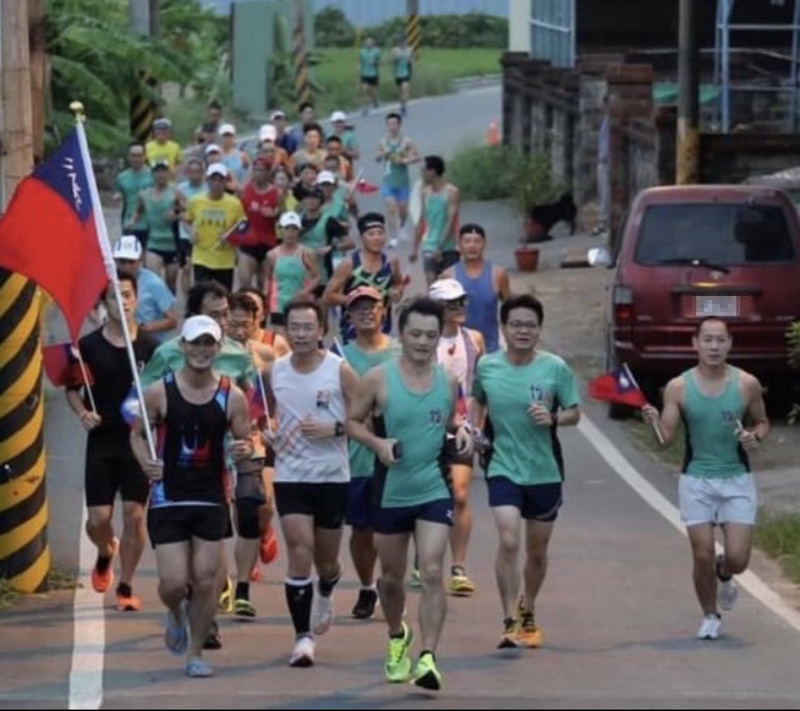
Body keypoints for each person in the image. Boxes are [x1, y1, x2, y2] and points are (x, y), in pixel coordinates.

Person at [347, 297, 472, 691]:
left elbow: (452, 419)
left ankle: (429, 658)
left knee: (433, 570)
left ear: (439, 337)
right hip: (390, 490)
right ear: (402, 334)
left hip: (433, 487)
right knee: (391, 579)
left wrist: (461, 431)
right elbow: (351, 422)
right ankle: (397, 635)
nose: (422, 341)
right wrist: (378, 445)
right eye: (415, 334)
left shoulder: (448, 382)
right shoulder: (378, 379)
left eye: (430, 335)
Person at [131, 315, 252, 678]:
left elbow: (244, 441)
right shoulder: (159, 392)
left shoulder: (233, 396)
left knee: (205, 579)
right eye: (194, 343)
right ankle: (175, 612)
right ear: (181, 347)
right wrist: (146, 464)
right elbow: (138, 433)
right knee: (171, 583)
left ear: (218, 348)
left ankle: (195, 653)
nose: (201, 350)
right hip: (169, 498)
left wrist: (245, 450)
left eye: (208, 343)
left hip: (211, 498)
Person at [642, 317, 769, 640]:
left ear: (730, 344)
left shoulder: (746, 384)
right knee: (702, 552)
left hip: (736, 479)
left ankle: (725, 574)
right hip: (696, 479)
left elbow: (763, 423)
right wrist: (654, 421)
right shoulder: (678, 387)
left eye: (720, 340)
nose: (714, 347)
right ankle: (710, 615)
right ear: (695, 343)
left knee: (738, 558)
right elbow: (665, 439)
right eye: (708, 340)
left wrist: (755, 437)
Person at [470, 294, 581, 650]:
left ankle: (528, 606)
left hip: (544, 470)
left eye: (530, 325)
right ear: (503, 328)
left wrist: (553, 418)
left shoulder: (555, 369)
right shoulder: (487, 366)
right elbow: (477, 401)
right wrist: (474, 431)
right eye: (515, 324)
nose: (523, 331)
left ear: (539, 330)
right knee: (508, 540)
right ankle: (508, 619)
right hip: (502, 464)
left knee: (536, 549)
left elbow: (574, 412)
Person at [263, 296, 359, 667]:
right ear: (285, 330)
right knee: (299, 550)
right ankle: (302, 638)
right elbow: (262, 413)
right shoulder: (276, 370)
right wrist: (266, 433)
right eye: (295, 327)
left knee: (327, 560)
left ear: (321, 330)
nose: (301, 334)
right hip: (291, 474)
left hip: (332, 476)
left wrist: (333, 427)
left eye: (308, 327)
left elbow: (364, 417)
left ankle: (328, 586)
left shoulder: (339, 370)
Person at [65, 270, 158, 612]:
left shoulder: (150, 348)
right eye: (113, 296)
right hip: (102, 443)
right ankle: (106, 551)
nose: (122, 302)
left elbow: (164, 390)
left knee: (135, 516)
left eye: (128, 295)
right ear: (104, 304)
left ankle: (126, 585)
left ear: (136, 300)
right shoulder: (88, 347)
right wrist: (83, 414)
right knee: (98, 520)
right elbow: (72, 389)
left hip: (137, 444)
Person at [338, 286, 399, 619]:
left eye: (372, 307)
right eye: (358, 308)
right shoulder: (339, 356)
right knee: (361, 530)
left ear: (383, 311)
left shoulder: (402, 353)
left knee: (393, 530)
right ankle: (366, 585)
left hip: (398, 455)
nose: (366, 312)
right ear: (349, 316)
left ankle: (392, 586)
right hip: (357, 456)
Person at [429, 278, 485, 596]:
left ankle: (458, 567)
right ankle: (423, 560)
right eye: (452, 304)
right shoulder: (424, 340)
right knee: (429, 497)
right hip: (427, 429)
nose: (459, 309)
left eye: (462, 302)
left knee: (460, 495)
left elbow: (479, 387)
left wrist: (478, 427)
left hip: (461, 430)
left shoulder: (474, 339)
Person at [322, 212, 404, 342]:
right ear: (362, 238)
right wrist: (356, 300)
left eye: (380, 233)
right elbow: (328, 296)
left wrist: (397, 291)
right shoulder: (350, 264)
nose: (377, 238)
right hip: (353, 332)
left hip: (383, 330)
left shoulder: (391, 261)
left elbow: (398, 283)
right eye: (371, 234)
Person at [441, 223, 511, 354]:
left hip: (491, 348)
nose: (472, 246)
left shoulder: (498, 274)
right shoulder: (448, 276)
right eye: (467, 241)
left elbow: (510, 309)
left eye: (477, 241)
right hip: (459, 350)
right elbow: (441, 313)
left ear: (484, 244)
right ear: (459, 245)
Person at [184, 163, 246, 291]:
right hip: (202, 257)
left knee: (223, 296)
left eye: (220, 179)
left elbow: (243, 226)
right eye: (213, 179)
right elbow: (187, 221)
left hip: (225, 259)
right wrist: (191, 232)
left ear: (225, 182)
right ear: (207, 180)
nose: (216, 183)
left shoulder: (234, 204)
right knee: (202, 294)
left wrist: (231, 236)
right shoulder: (195, 201)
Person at [128, 161, 181, 293]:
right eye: (158, 172)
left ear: (168, 173)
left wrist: (177, 215)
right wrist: (132, 221)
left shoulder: (176, 192)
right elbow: (138, 211)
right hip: (153, 242)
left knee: (171, 283)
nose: (161, 175)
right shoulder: (144, 194)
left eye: (164, 171)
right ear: (153, 174)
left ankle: (169, 308)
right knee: (153, 279)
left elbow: (188, 212)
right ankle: (155, 310)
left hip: (172, 243)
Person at [112, 235, 178, 342]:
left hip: (148, 344)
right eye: (122, 261)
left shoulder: (154, 283)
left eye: (131, 261)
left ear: (140, 260)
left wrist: (141, 328)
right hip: (118, 341)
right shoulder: (110, 281)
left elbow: (172, 321)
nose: (127, 266)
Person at [264, 211, 320, 330]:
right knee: (278, 340)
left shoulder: (306, 253)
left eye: (294, 229)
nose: (290, 233)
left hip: (299, 304)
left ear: (299, 231)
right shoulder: (272, 255)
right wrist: (265, 299)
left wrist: (305, 292)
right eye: (287, 229)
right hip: (278, 305)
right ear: (281, 230)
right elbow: (267, 278)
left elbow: (317, 277)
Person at [411, 155, 460, 287]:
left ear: (432, 171)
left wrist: (440, 246)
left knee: (449, 288)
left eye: (423, 170)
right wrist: (414, 249)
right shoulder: (425, 193)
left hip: (448, 247)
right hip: (429, 246)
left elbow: (450, 221)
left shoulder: (451, 192)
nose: (422, 174)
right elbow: (421, 221)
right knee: (433, 288)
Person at [377, 113, 420, 248]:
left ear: (399, 125)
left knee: (403, 210)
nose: (392, 127)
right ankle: (393, 237)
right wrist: (382, 155)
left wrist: (405, 160)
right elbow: (377, 157)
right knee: (390, 207)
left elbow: (417, 156)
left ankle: (402, 226)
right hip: (388, 180)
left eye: (395, 124)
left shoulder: (407, 141)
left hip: (402, 181)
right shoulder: (383, 142)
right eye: (390, 124)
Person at [238, 158, 280, 291]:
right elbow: (238, 216)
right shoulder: (246, 191)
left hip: (268, 243)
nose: (257, 173)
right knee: (245, 282)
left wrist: (275, 214)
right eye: (255, 169)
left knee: (264, 285)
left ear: (268, 173)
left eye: (261, 170)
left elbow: (283, 214)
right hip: (248, 242)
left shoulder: (276, 193)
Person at [113, 142, 153, 250]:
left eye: (139, 155)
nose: (136, 159)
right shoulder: (122, 177)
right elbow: (119, 193)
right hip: (129, 222)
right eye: (133, 155)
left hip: (150, 223)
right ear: (128, 157)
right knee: (130, 255)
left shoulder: (153, 175)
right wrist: (118, 197)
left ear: (145, 156)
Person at [594, 93, 611, 236]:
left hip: (607, 161)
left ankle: (604, 222)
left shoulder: (611, 121)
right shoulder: (606, 121)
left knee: (606, 194)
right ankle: (603, 221)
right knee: (603, 193)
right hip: (603, 161)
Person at [358, 36, 382, 114]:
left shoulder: (376, 51)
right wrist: (358, 67)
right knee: (365, 90)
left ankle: (375, 100)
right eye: (367, 42)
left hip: (373, 74)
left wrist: (374, 63)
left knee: (371, 91)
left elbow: (379, 62)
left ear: (373, 44)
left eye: (370, 43)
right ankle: (366, 107)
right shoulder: (362, 51)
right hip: (364, 74)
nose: (368, 44)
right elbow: (359, 60)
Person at [391, 37, 413, 116]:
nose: (403, 44)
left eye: (405, 42)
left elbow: (411, 61)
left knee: (405, 88)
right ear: (399, 43)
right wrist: (397, 58)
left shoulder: (409, 50)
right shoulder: (395, 50)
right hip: (398, 73)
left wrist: (410, 60)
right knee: (400, 92)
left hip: (406, 73)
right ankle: (402, 105)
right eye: (402, 42)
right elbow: (393, 61)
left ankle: (404, 106)